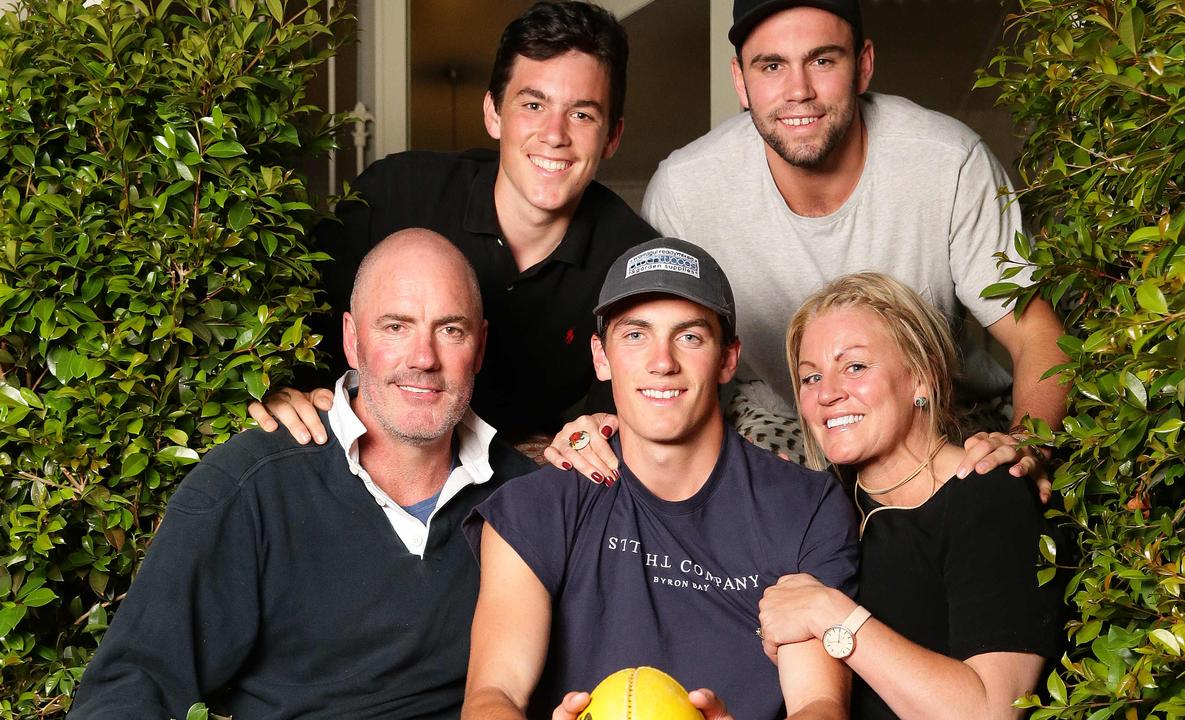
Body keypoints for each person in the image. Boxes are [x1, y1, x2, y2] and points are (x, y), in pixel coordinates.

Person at [69, 230, 537, 719]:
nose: (423, 358)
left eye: (450, 330)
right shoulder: (252, 485)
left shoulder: (527, 496)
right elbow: (128, 688)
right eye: (396, 327)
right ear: (352, 341)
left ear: (480, 346)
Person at [639, 0, 1068, 476]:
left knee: (994, 501)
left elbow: (1037, 334)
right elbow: (652, 358)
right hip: (785, 426)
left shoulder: (949, 162)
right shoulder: (685, 190)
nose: (798, 90)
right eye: (772, 66)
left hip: (947, 419)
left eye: (822, 60)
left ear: (863, 66)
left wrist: (1028, 446)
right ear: (740, 80)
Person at [461, 238, 859, 720]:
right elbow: (491, 698)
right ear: (601, 357)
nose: (662, 361)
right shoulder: (534, 508)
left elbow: (818, 704)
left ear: (728, 359)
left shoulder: (805, 506)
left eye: (689, 336)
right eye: (635, 335)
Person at [250, 1, 655, 449]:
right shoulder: (394, 195)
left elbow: (618, 424)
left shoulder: (632, 264)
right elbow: (291, 320)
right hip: (362, 456)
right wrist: (279, 386)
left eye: (582, 114)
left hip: (513, 488)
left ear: (612, 135)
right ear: (493, 114)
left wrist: (575, 444)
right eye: (534, 104)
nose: (555, 134)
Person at [757, 272, 1059, 719]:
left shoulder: (989, 494)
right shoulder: (817, 507)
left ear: (922, 379)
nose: (828, 394)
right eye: (811, 377)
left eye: (855, 367)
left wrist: (829, 614)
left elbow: (989, 711)